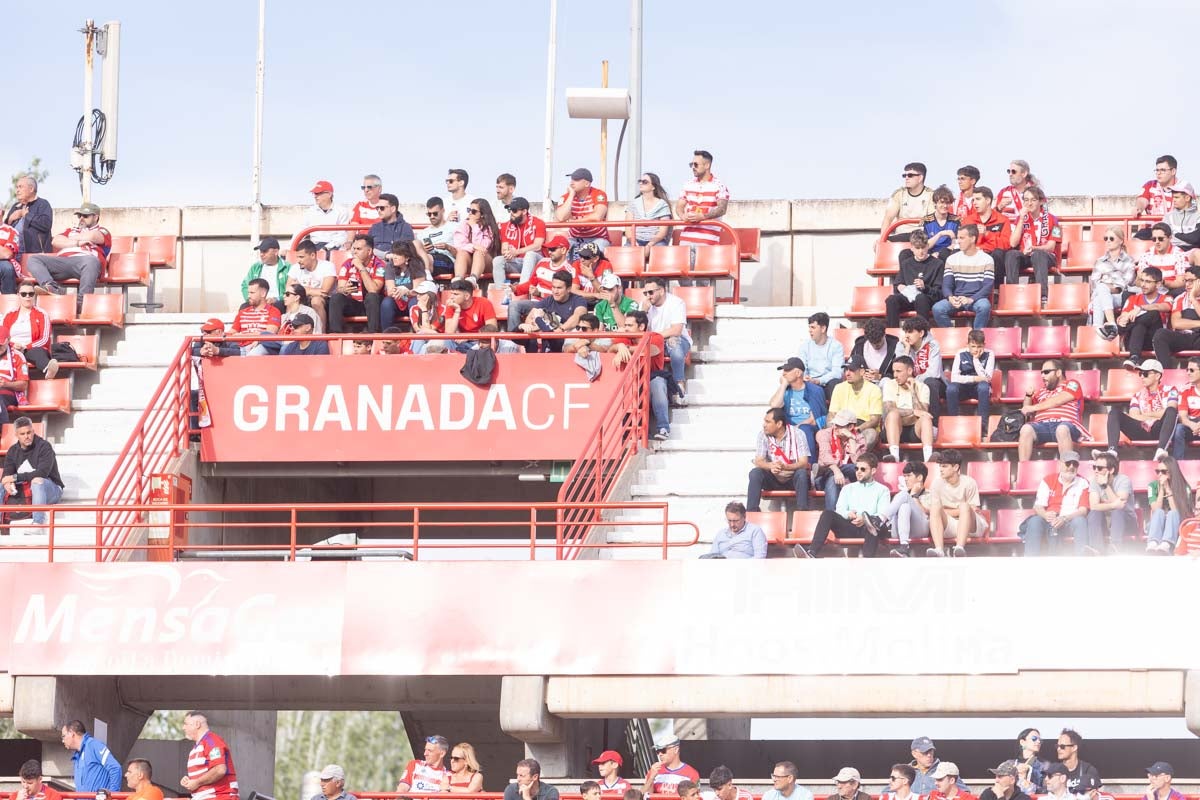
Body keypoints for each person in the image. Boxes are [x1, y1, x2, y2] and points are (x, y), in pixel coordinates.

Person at [800, 452, 890, 558]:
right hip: (850, 526)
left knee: (873, 525)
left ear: (873, 471)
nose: (858, 472)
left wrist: (865, 519)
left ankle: (867, 561)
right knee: (828, 514)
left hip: (869, 528)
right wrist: (848, 514)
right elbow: (840, 510)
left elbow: (882, 514)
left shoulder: (883, 490)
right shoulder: (848, 488)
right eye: (856, 469)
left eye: (863, 469)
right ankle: (811, 552)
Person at [26, 202, 111, 312]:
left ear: (95, 217)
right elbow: (55, 241)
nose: (81, 218)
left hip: (86, 261)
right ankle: (52, 287)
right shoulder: (71, 230)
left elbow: (93, 236)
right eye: (79, 215)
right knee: (34, 259)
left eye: (85, 216)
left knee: (91, 261)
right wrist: (77, 243)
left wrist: (68, 240)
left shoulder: (102, 230)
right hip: (63, 262)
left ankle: (81, 303)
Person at [1101, 358, 1179, 459]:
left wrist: (1144, 415)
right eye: (1140, 373)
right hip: (1141, 429)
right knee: (1114, 413)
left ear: (1157, 376)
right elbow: (1134, 416)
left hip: (1159, 429)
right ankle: (1112, 451)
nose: (1142, 376)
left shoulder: (1171, 390)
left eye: (1145, 374)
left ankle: (1161, 450)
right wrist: (1156, 416)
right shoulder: (1137, 395)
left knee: (1171, 411)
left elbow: (1171, 409)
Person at [1021, 451, 1090, 556]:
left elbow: (1083, 510)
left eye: (1075, 464)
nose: (1071, 466)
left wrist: (1065, 518)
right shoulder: (1048, 480)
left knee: (1080, 521)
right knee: (1035, 521)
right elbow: (1038, 506)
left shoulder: (1083, 483)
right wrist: (1045, 515)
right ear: (1060, 464)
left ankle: (1082, 558)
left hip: (1070, 520)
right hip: (1050, 519)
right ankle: (1030, 559)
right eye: (1068, 463)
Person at [3, 414, 64, 531]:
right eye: (22, 434)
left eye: (29, 432)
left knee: (37, 481)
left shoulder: (44, 446)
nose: (27, 436)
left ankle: (38, 524)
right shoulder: (12, 450)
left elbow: (42, 473)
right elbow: (6, 474)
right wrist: (6, 482)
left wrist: (15, 478)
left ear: (33, 431)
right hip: (26, 491)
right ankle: (2, 525)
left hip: (51, 490)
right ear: (16, 435)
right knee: (1, 486)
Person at [1017, 360, 1087, 462]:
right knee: (1026, 429)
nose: (1042, 376)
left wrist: (1034, 408)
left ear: (1058, 372)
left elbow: (1059, 400)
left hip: (1066, 424)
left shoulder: (1072, 384)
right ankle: (1023, 468)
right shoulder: (1041, 391)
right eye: (1041, 373)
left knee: (1062, 429)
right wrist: (1028, 396)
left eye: (1046, 372)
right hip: (1043, 426)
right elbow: (1027, 410)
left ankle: (1066, 467)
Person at [748, 408, 811, 513]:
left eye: (768, 422)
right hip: (773, 478)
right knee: (755, 473)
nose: (764, 425)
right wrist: (771, 466)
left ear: (779, 424)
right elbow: (758, 461)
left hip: (793, 478)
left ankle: (802, 513)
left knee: (802, 473)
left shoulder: (798, 434)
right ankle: (752, 513)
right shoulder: (763, 435)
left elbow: (804, 463)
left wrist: (786, 467)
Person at [1005, 186, 1061, 302]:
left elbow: (1051, 247)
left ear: (1041, 201)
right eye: (1026, 200)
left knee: (1038, 255)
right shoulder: (1019, 219)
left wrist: (1034, 248)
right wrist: (1021, 219)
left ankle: (1042, 296)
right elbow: (1013, 243)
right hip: (1026, 255)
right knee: (1011, 254)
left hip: (1046, 256)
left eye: (1033, 200)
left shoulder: (1054, 220)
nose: (1029, 203)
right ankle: (1011, 294)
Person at [641, 277, 692, 402]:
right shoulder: (645, 306)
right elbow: (638, 329)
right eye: (645, 293)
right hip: (654, 340)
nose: (648, 296)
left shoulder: (676, 303)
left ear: (662, 291)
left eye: (651, 292)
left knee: (675, 346)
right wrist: (643, 312)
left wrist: (655, 336)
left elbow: (676, 330)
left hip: (675, 338)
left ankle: (679, 384)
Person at [926, 450, 985, 557]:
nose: (941, 469)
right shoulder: (936, 483)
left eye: (944, 466)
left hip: (971, 526)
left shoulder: (969, 482)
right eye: (940, 466)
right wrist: (959, 511)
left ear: (956, 467)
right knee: (935, 508)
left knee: (964, 506)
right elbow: (935, 511)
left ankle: (959, 548)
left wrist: (951, 510)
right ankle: (939, 550)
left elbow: (973, 509)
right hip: (949, 524)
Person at [508, 236, 573, 333]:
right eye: (549, 249)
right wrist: (516, 289)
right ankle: (513, 338)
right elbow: (531, 283)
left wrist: (540, 294)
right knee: (514, 305)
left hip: (554, 307)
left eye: (553, 249)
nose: (549, 252)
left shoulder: (570, 270)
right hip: (535, 303)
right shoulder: (542, 262)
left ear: (563, 250)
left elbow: (566, 296)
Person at [933, 225, 993, 328]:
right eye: (958, 238)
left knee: (984, 306)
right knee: (937, 308)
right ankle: (952, 334)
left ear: (973, 239)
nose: (958, 241)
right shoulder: (951, 259)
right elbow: (946, 285)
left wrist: (971, 299)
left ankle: (976, 335)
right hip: (957, 298)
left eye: (962, 238)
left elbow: (988, 286)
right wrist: (950, 297)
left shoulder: (986, 259)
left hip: (977, 299)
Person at [441, 278, 519, 354]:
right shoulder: (452, 306)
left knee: (485, 344)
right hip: (460, 341)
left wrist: (468, 337)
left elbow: (491, 329)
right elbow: (449, 333)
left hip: (479, 341)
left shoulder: (484, 303)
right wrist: (457, 311)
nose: (451, 297)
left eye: (455, 294)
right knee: (447, 341)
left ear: (467, 296)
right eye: (451, 294)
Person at [516, 270, 588, 352]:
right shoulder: (548, 300)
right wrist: (535, 326)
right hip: (550, 341)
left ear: (568, 289)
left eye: (559, 288)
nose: (555, 291)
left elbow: (578, 316)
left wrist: (561, 329)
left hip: (567, 343)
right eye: (553, 287)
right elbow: (530, 318)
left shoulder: (578, 300)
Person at [675, 150, 731, 255]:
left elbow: (722, 209)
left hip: (708, 241)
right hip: (686, 240)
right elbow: (679, 207)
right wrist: (682, 216)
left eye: (696, 164)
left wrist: (702, 217)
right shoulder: (687, 184)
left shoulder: (719, 185)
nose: (693, 167)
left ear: (707, 165)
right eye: (691, 164)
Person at [813, 408, 868, 512]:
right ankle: (832, 514)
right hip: (824, 476)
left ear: (851, 427)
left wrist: (851, 439)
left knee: (856, 468)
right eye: (835, 424)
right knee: (833, 476)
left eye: (840, 425)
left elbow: (859, 463)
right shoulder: (823, 434)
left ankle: (832, 515)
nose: (835, 427)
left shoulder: (859, 438)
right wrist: (836, 471)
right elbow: (825, 456)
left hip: (848, 477)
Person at [329, 234, 386, 333]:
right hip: (354, 303)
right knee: (336, 297)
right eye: (354, 248)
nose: (355, 252)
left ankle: (373, 334)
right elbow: (340, 288)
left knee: (372, 297)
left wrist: (361, 268)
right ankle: (336, 335)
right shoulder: (347, 264)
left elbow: (374, 290)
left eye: (358, 249)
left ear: (369, 251)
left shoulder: (379, 265)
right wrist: (344, 290)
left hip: (373, 305)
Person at [1118, 267, 1172, 369]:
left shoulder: (1166, 298)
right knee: (1139, 326)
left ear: (1158, 284)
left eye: (1147, 282)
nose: (1143, 284)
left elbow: (1165, 307)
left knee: (1154, 313)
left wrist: (1140, 308)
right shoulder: (1132, 299)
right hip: (1133, 340)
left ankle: (1133, 356)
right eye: (1142, 280)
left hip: (1155, 340)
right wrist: (1123, 320)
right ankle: (1134, 357)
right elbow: (1123, 317)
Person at [886, 230, 943, 327]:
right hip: (909, 297)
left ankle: (922, 331)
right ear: (912, 248)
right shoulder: (906, 263)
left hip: (927, 299)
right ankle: (892, 332)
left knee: (921, 298)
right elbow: (897, 283)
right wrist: (900, 287)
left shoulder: (937, 264)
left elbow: (939, 292)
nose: (921, 251)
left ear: (927, 246)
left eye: (923, 247)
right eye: (917, 248)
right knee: (891, 300)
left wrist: (925, 287)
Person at [770, 356, 825, 456]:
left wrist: (794, 429)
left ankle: (810, 463)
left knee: (804, 429)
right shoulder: (785, 390)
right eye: (783, 370)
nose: (783, 373)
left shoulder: (815, 391)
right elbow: (774, 406)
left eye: (787, 370)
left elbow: (813, 420)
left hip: (809, 427)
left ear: (798, 373)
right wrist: (783, 385)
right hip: (789, 426)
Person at [882, 356, 934, 462]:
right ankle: (894, 456)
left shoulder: (923, 387)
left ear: (909, 371)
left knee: (926, 419)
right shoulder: (889, 385)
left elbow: (923, 413)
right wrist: (913, 412)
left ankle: (929, 458)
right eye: (894, 371)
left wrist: (913, 392)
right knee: (893, 415)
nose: (895, 375)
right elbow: (889, 410)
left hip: (914, 430)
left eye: (898, 371)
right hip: (893, 429)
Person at [895, 316, 944, 423]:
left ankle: (934, 424)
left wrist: (915, 380)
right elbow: (899, 369)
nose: (907, 335)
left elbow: (934, 373)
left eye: (910, 332)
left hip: (932, 383)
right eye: (906, 332)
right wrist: (907, 350)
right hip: (908, 381)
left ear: (921, 333)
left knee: (931, 382)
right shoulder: (901, 345)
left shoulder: (933, 345)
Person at [1090, 225, 1137, 338]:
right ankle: (1110, 325)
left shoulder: (1129, 260)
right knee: (1100, 293)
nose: (1108, 241)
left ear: (1121, 241)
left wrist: (1107, 283)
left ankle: (1099, 329)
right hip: (1103, 295)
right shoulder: (1100, 261)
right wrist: (1108, 285)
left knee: (1101, 291)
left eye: (1111, 238)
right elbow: (1094, 283)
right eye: (1105, 238)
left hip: (1121, 296)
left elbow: (1126, 283)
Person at [1086, 451, 1137, 554]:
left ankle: (1115, 548)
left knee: (1117, 512)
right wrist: (1113, 505)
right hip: (1106, 521)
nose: (1096, 471)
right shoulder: (1094, 481)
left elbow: (1120, 505)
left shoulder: (1123, 480)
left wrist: (1105, 486)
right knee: (1094, 513)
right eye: (1094, 467)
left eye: (1099, 468)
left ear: (1111, 470)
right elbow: (1094, 506)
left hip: (1126, 522)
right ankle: (1097, 550)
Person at [946, 330, 994, 438]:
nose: (976, 350)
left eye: (979, 346)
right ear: (967, 345)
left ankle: (982, 427)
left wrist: (976, 360)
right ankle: (952, 424)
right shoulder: (960, 353)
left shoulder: (989, 354)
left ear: (984, 345)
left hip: (979, 389)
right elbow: (954, 378)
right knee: (951, 388)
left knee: (984, 386)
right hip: (964, 388)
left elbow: (987, 378)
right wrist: (974, 378)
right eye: (973, 346)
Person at [3, 285, 59, 379]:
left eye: (31, 294)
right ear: (18, 295)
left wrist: (25, 347)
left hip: (31, 349)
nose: (27, 296)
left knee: (38, 352)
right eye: (24, 294)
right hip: (11, 348)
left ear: (34, 295)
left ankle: (48, 369)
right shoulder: (9, 314)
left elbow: (44, 339)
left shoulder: (42, 314)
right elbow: (2, 335)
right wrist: (12, 345)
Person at [828, 357, 884, 450]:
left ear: (862, 372)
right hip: (841, 425)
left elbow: (874, 420)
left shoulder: (874, 389)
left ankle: (856, 457)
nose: (847, 373)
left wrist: (855, 430)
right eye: (846, 370)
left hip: (862, 427)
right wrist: (839, 430)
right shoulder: (839, 387)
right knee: (824, 431)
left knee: (871, 434)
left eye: (851, 370)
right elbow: (832, 414)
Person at [879, 461, 932, 558]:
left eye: (909, 476)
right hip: (899, 532)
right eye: (905, 476)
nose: (905, 479)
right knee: (904, 506)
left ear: (920, 477)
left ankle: (879, 521)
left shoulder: (930, 494)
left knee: (904, 495)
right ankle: (904, 546)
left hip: (920, 530)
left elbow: (927, 513)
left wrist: (913, 496)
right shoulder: (900, 496)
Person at [181, 712, 238, 800]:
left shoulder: (212, 741)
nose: (183, 727)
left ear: (197, 724)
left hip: (219, 796)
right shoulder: (197, 747)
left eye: (186, 724)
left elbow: (219, 770)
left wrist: (196, 782)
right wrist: (189, 781)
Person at [1152, 265, 1200, 368]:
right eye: (1185, 281)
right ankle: (1166, 373)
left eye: (1191, 281)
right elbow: (1176, 323)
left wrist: (1193, 299)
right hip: (1184, 336)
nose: (1187, 284)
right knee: (1161, 334)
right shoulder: (1180, 298)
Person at [493, 197, 547, 286]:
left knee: (530, 255)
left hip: (536, 262)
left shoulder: (538, 223)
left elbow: (538, 246)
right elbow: (504, 249)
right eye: (510, 210)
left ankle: (522, 289)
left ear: (524, 211)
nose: (511, 213)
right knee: (497, 260)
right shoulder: (506, 226)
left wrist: (516, 252)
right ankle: (501, 291)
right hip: (517, 261)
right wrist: (508, 253)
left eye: (514, 210)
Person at [556, 168, 609, 257]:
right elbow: (561, 217)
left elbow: (597, 216)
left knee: (593, 254)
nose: (571, 183)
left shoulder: (599, 194)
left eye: (576, 180)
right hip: (574, 239)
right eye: (572, 179)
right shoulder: (566, 197)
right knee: (559, 253)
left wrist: (574, 222)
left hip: (597, 238)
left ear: (587, 184)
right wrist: (571, 195)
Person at [381, 240, 431, 331]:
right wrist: (397, 291)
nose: (394, 257)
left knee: (415, 301)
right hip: (397, 301)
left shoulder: (417, 265)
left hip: (412, 299)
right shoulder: (390, 266)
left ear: (407, 257)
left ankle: (419, 331)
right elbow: (390, 291)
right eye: (393, 253)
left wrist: (406, 292)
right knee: (387, 302)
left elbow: (419, 290)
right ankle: (387, 334)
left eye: (398, 254)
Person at [1146, 455, 1192, 554]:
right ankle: (1153, 543)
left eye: (1163, 471)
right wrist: (1161, 490)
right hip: (1157, 524)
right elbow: (1155, 509)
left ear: (1172, 471)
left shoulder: (1185, 487)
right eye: (1158, 471)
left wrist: (1168, 489)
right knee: (1159, 512)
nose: (1160, 474)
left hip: (1177, 523)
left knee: (1172, 513)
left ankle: (1167, 544)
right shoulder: (1152, 486)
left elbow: (1177, 511)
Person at [879, 162, 934, 244]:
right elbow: (888, 219)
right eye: (905, 175)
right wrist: (882, 239)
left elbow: (933, 220)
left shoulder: (931, 195)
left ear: (920, 178)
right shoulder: (899, 194)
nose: (906, 178)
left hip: (922, 236)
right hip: (901, 235)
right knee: (880, 243)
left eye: (910, 175)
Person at [59, 720, 121, 792]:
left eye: (63, 736)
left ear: (72, 733)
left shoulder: (94, 745)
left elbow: (115, 768)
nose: (63, 740)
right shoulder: (77, 755)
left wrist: (113, 794)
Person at [286, 240, 336, 329]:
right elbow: (288, 289)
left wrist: (301, 289)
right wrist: (313, 291)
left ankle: (320, 333)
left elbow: (324, 292)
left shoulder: (327, 266)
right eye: (297, 257)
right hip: (302, 299)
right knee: (291, 299)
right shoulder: (295, 268)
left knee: (316, 300)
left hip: (325, 301)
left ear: (312, 255)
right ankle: (289, 331)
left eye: (301, 257)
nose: (298, 260)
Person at [800, 313, 845, 402]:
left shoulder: (836, 346)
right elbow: (801, 367)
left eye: (813, 327)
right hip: (810, 382)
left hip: (827, 383)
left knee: (835, 383)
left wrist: (819, 380)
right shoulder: (805, 346)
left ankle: (834, 410)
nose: (810, 330)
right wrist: (805, 377)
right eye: (809, 327)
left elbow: (837, 372)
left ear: (823, 328)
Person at [453, 199, 501, 280]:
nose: (470, 213)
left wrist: (474, 227)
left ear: (482, 214)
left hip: (486, 262)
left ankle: (473, 279)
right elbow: (459, 245)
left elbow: (482, 247)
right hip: (469, 261)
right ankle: (458, 279)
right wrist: (473, 247)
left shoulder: (489, 228)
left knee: (478, 253)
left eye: (474, 211)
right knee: (461, 253)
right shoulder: (464, 225)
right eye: (469, 210)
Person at [4, 176, 53, 255]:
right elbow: (4, 231)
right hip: (13, 254)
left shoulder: (42, 204)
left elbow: (46, 224)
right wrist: (9, 220)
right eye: (17, 187)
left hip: (35, 256)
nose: (17, 190)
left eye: (20, 187)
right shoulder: (15, 206)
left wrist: (26, 215)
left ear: (31, 189)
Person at [231, 279, 282, 356]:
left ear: (263, 293)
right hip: (239, 347)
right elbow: (232, 332)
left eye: (252, 293)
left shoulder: (274, 311)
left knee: (254, 353)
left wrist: (243, 335)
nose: (248, 296)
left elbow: (269, 333)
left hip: (260, 345)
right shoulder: (242, 312)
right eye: (248, 293)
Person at [298, 180, 349, 254]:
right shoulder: (310, 211)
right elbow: (300, 231)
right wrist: (289, 248)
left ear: (329, 194)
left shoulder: (342, 211)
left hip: (334, 247)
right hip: (314, 247)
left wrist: (326, 248)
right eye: (314, 193)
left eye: (318, 193)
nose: (315, 196)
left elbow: (342, 236)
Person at [625, 172, 673, 252]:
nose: (641, 183)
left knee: (660, 252)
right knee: (626, 254)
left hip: (656, 241)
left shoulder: (662, 205)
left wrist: (649, 245)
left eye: (645, 182)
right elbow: (628, 229)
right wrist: (635, 244)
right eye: (640, 181)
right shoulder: (633, 203)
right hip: (635, 241)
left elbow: (663, 231)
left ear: (653, 187)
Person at [1136, 223, 1188, 295]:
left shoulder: (1179, 254)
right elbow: (1139, 281)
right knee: (1127, 294)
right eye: (1154, 239)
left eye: (1160, 239)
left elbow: (1181, 282)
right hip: (1150, 290)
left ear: (1170, 238)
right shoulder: (1146, 254)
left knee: (1180, 291)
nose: (1157, 242)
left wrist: (1163, 282)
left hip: (1170, 290)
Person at [238, 237, 291, 306]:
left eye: (265, 251)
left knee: (279, 306)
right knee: (244, 307)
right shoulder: (256, 267)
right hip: (257, 302)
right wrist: (251, 300)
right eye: (260, 251)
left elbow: (291, 291)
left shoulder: (288, 267)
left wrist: (277, 299)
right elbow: (245, 285)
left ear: (276, 252)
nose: (261, 254)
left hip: (278, 303)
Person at [849, 319, 898, 385]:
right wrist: (860, 376)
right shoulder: (859, 346)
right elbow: (850, 368)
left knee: (886, 381)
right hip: (864, 384)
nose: (876, 345)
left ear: (884, 335)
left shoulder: (894, 346)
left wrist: (880, 376)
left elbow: (900, 372)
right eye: (872, 343)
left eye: (879, 341)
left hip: (885, 384)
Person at [419, 198, 459, 277]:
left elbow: (462, 254)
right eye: (429, 214)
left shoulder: (454, 227)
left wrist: (448, 247)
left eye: (435, 213)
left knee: (424, 259)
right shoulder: (423, 233)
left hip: (448, 260)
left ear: (443, 211)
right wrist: (424, 250)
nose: (432, 217)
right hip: (430, 258)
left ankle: (428, 279)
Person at [1055, 728, 1101, 795]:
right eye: (1057, 746)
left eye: (1062, 746)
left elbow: (1093, 795)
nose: (1058, 749)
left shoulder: (1088, 770)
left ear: (1074, 748)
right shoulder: (1054, 771)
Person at [995, 159, 1042, 224]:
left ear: (1024, 174)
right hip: (1008, 229)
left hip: (1029, 228)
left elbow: (1044, 217)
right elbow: (993, 217)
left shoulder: (1036, 192)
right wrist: (999, 207)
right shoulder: (1004, 192)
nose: (1010, 174)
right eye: (1009, 171)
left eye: (1013, 171)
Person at [1161, 182, 1200, 258]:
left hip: (1193, 253)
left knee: (1197, 254)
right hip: (1172, 252)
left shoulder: (1198, 216)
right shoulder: (1168, 216)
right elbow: (1163, 238)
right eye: (1173, 197)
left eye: (1177, 197)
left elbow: (1196, 239)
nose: (1173, 200)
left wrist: (1175, 234)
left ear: (1187, 198)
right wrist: (1188, 238)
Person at [921, 185, 960, 258]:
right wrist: (940, 234)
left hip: (949, 255)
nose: (945, 206)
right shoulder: (926, 221)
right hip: (930, 256)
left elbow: (958, 244)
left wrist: (941, 253)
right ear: (935, 203)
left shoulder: (956, 220)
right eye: (941, 202)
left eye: (947, 203)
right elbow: (923, 246)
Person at [1014, 728, 1047, 795]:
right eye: (1034, 738)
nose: (1038, 742)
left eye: (1040, 740)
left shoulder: (1044, 766)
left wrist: (1029, 786)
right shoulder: (1011, 764)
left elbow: (1047, 790)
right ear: (1022, 742)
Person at [0, 223, 25, 294]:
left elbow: (7, 254)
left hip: (3, 263)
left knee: (7, 268)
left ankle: (9, 299)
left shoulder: (11, 231)